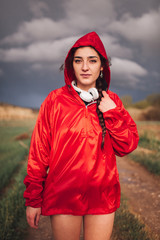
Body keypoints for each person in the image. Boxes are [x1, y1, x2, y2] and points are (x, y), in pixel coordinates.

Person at [23, 31, 139, 240]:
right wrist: (33, 199)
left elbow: (127, 146)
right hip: (63, 193)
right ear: (71, 65)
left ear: (102, 66)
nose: (85, 67)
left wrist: (112, 113)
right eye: (79, 61)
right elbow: (39, 152)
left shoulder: (112, 101)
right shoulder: (54, 101)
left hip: (102, 195)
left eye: (92, 61)